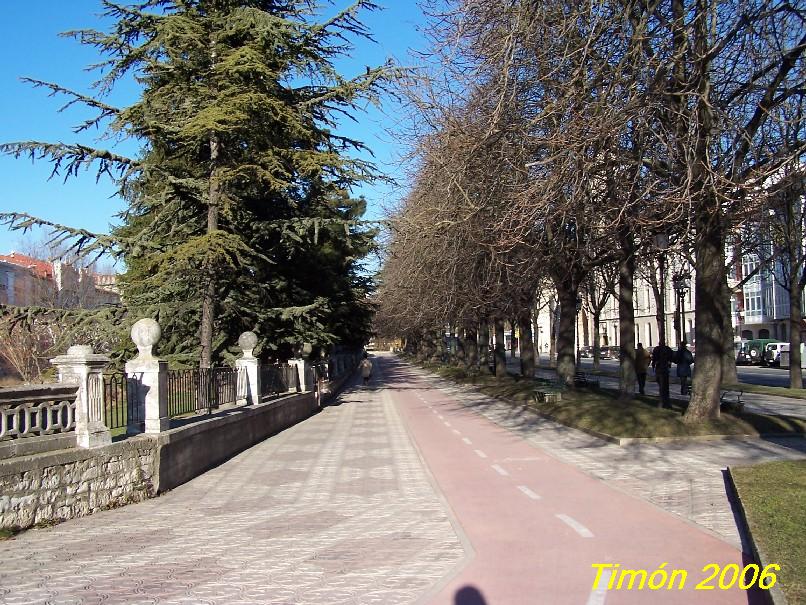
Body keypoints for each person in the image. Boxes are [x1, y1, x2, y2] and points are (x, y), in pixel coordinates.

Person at [651, 340, 674, 408]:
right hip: (664, 369)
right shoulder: (667, 349)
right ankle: (666, 402)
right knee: (664, 386)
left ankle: (662, 402)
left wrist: (653, 365)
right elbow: (671, 357)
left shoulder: (657, 349)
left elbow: (654, 358)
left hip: (660, 368)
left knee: (662, 386)